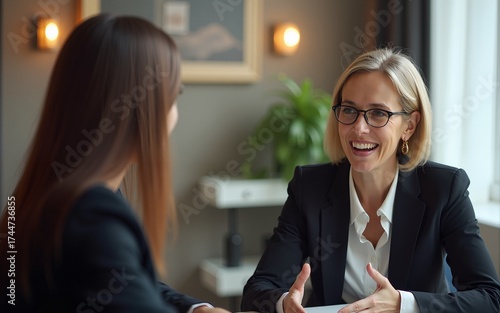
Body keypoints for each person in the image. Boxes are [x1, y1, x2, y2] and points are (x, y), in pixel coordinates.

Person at [0, 14, 230, 313]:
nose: (175, 114)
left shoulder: (57, 192)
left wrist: (196, 308)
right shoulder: (92, 213)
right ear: (143, 107)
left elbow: (122, 279)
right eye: (174, 97)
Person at [241, 48, 500, 313]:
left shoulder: (445, 188)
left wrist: (403, 304)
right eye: (349, 110)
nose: (359, 128)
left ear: (409, 126)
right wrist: (284, 303)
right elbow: (258, 289)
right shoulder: (310, 187)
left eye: (378, 113)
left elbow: (489, 298)